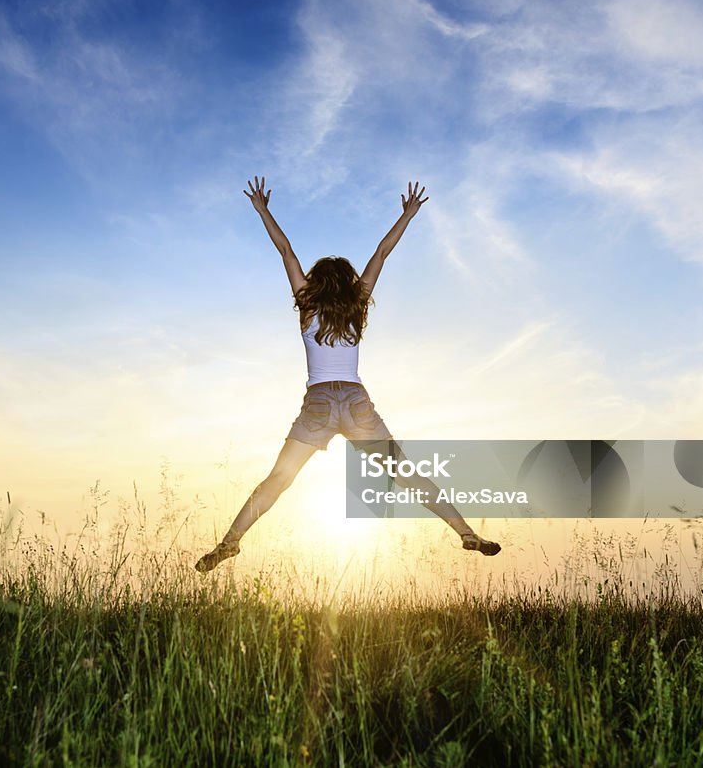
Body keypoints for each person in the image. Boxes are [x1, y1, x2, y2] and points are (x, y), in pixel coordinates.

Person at [195, 176, 501, 573]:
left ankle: (229, 542)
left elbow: (285, 250)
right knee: (406, 474)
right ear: (348, 283)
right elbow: (381, 253)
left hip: (319, 404)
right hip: (356, 404)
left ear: (317, 282)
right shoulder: (357, 305)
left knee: (277, 481)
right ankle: (465, 533)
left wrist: (262, 208)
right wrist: (407, 214)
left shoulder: (307, 305)